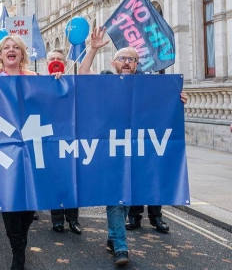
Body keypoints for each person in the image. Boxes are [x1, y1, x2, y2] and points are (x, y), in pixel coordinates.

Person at [79, 26, 188, 265]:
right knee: (117, 195)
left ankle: (113, 237)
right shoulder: (106, 79)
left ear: (138, 64)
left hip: (138, 152)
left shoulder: (148, 86)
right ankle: (120, 244)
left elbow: (161, 111)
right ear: (114, 62)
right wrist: (93, 49)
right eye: (123, 58)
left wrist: (176, 100)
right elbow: (83, 73)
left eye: (132, 59)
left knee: (127, 196)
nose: (127, 62)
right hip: (110, 150)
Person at [0, 35, 38, 270]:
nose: (11, 50)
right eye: (7, 48)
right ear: (1, 55)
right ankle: (18, 251)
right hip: (3, 149)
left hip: (31, 147)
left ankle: (21, 242)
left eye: (16, 47)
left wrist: (55, 81)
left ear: (22, 54)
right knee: (9, 199)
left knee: (29, 201)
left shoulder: (35, 79)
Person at [44, 49, 82, 235]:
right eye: (52, 59)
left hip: (71, 138)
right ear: (47, 63)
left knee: (72, 179)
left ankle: (73, 219)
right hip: (50, 139)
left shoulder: (73, 83)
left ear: (65, 63)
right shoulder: (40, 83)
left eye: (59, 59)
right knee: (55, 181)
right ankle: (57, 220)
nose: (56, 62)